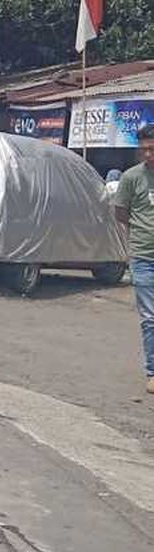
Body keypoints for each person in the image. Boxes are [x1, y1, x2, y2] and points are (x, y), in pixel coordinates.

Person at [114, 124, 154, 394]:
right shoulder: (131, 177)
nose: (148, 155)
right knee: (151, 317)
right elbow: (121, 213)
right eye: (144, 150)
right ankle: (153, 371)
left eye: (153, 149)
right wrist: (140, 234)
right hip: (143, 257)